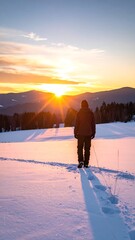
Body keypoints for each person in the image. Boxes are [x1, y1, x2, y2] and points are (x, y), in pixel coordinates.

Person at [74, 100, 96, 168]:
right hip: (88, 134)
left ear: (81, 105)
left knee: (80, 148)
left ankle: (80, 161)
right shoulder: (91, 113)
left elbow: (76, 124)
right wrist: (93, 132)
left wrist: (75, 132)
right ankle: (86, 163)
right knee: (87, 149)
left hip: (80, 133)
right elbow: (93, 124)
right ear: (87, 105)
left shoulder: (79, 113)